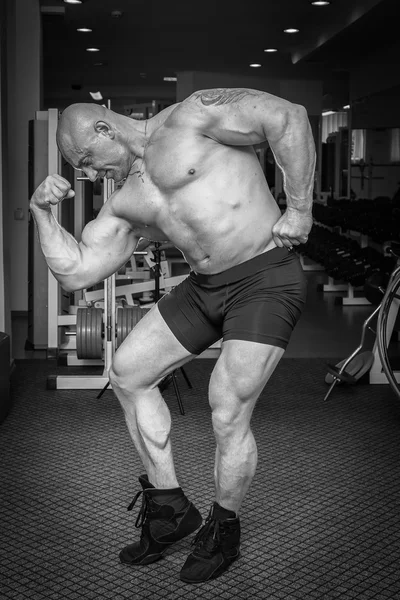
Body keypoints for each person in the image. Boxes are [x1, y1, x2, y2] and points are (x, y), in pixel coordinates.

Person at [30, 88, 315, 583]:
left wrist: (300, 209)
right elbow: (75, 272)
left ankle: (223, 528)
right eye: (81, 171)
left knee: (226, 408)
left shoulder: (194, 115)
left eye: (89, 161)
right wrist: (40, 212)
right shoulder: (125, 200)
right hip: (205, 287)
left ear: (104, 129)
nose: (90, 176)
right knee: (127, 372)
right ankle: (169, 509)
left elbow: (288, 118)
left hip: (265, 276)